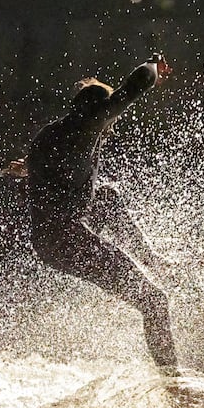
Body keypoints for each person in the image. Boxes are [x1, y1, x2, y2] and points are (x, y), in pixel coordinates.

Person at [16, 55, 178, 375]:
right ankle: (176, 388)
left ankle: (152, 260)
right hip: (66, 239)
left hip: (51, 240)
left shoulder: (51, 134)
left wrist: (26, 169)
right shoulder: (89, 123)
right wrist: (153, 66)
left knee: (106, 197)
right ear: (100, 111)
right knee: (155, 303)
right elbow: (135, 86)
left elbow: (43, 169)